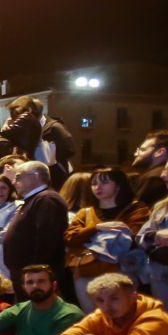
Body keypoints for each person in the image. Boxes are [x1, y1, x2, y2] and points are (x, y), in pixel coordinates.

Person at [64, 166, 149, 312]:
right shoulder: (86, 212)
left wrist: (88, 237)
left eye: (104, 182)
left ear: (118, 184)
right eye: (94, 183)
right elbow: (70, 238)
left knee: (122, 315)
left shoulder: (136, 209)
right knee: (92, 316)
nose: (97, 187)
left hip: (121, 272)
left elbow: (133, 236)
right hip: (86, 271)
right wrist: (97, 228)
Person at [3, 161, 69, 299]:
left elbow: (47, 239)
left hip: (36, 278)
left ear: (36, 176)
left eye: (18, 177)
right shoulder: (33, 200)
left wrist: (34, 272)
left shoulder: (47, 199)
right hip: (26, 276)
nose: (14, 182)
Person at [0, 95, 75, 189]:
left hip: (55, 178)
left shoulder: (53, 128)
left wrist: (52, 158)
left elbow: (69, 149)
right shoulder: (25, 129)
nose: (16, 120)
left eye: (17, 115)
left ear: (30, 112)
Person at [138, 163, 168, 302]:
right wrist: (155, 236)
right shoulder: (161, 206)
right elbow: (141, 236)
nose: (162, 175)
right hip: (160, 273)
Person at [131, 130, 168, 206]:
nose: (135, 154)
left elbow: (137, 211)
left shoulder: (154, 178)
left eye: (142, 150)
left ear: (160, 152)